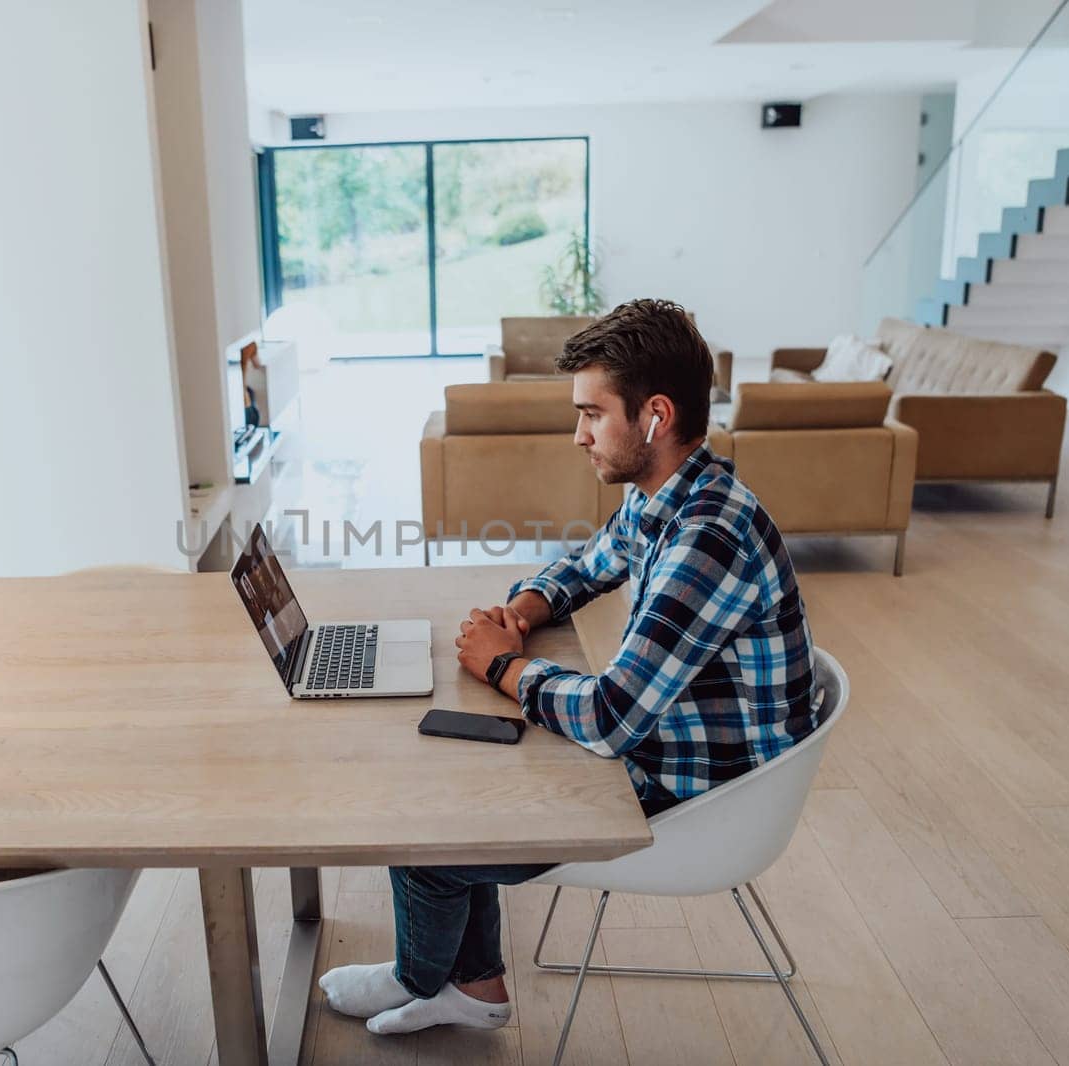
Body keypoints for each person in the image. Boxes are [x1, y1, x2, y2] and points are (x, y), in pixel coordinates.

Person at [317, 298, 818, 1037]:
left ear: (654, 415)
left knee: (426, 822)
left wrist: (502, 667)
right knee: (455, 764)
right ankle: (474, 987)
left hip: (698, 798)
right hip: (677, 752)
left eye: (592, 414)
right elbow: (588, 564)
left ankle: (416, 978)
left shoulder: (707, 538)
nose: (577, 435)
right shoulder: (672, 497)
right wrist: (524, 609)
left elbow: (612, 719)